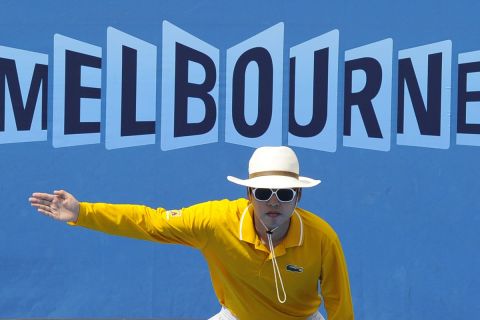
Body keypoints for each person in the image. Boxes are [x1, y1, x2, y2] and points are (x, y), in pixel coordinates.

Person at [29, 146, 354, 319]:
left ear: (298, 198)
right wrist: (83, 212)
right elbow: (150, 222)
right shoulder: (215, 221)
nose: (273, 201)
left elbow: (339, 304)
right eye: (263, 191)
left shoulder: (322, 237)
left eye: (284, 194)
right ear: (248, 195)